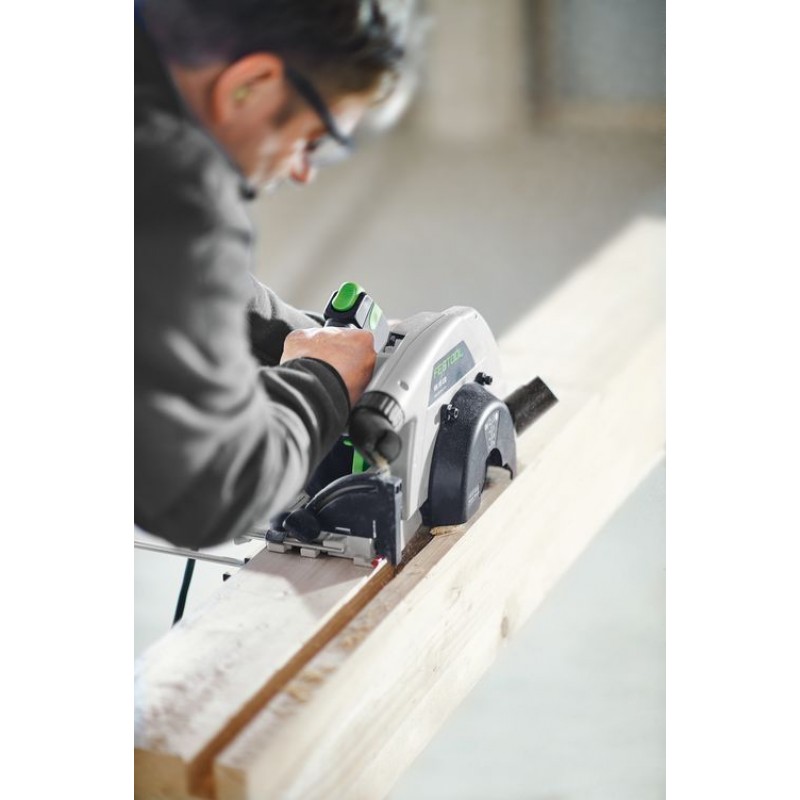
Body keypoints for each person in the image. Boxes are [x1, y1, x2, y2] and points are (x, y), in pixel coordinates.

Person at [135, 0, 406, 549]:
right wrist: (322, 383)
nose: (304, 172)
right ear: (251, 85)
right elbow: (212, 487)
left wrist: (284, 333)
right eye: (312, 140)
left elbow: (152, 275)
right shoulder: (182, 188)